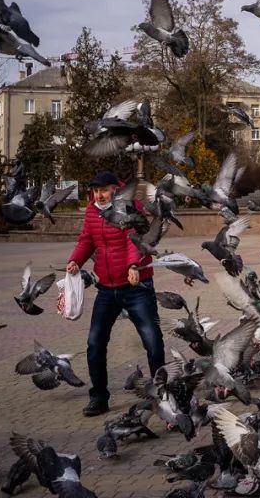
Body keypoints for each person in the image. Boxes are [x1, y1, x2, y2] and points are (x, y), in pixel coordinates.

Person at [66, 170, 164, 417]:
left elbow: (137, 239)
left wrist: (134, 266)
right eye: (96, 191)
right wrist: (75, 261)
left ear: (115, 189)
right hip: (106, 289)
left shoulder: (129, 208)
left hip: (136, 288)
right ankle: (99, 396)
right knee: (95, 343)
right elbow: (86, 240)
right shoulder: (92, 212)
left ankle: (164, 394)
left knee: (152, 341)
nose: (99, 195)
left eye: (104, 190)